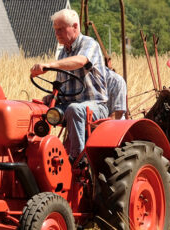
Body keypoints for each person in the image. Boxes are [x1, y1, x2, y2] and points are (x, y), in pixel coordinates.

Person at [30, 9, 125, 162]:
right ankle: (34, 155)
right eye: (55, 30)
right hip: (69, 105)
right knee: (36, 108)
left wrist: (48, 65)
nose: (57, 33)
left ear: (75, 26)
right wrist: (52, 98)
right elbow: (63, 85)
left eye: (60, 29)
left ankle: (78, 160)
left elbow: (80, 61)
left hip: (96, 106)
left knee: (75, 109)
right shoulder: (63, 53)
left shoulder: (89, 44)